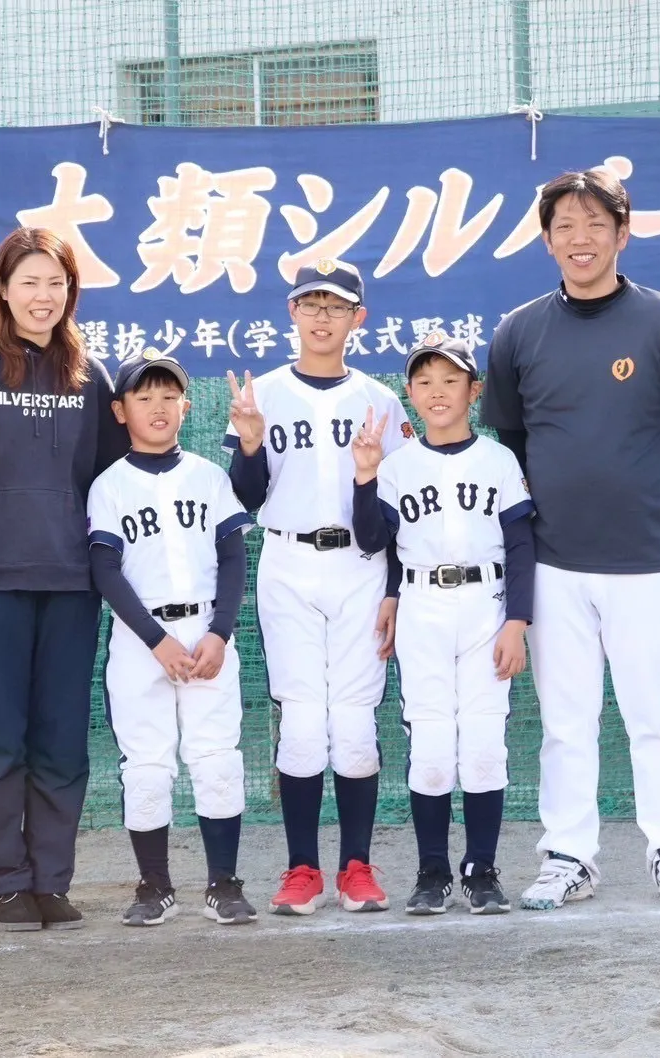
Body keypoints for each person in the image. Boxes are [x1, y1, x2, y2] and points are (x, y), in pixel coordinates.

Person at [478, 169, 660, 910]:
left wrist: (643, 495)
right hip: (554, 563)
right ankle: (568, 856)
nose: (579, 239)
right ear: (547, 240)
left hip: (646, 560)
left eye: (595, 225)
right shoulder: (519, 331)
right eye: (565, 227)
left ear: (623, 233)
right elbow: (513, 441)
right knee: (565, 723)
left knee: (655, 717)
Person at [0, 227, 129, 931]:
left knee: (61, 741)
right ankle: (5, 883)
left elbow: (115, 482)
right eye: (30, 282)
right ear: (3, 290)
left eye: (56, 283)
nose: (44, 297)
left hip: (71, 586)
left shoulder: (89, 377)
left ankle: (50, 881)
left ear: (71, 292)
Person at [224, 257, 408, 915]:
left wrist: (395, 589)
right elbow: (246, 497)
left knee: (354, 724)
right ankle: (302, 869)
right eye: (311, 304)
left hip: (360, 567)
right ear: (292, 312)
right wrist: (249, 444)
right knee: (302, 722)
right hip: (289, 561)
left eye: (336, 306)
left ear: (359, 318)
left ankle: (356, 866)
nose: (323, 317)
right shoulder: (265, 393)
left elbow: (394, 514)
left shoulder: (380, 400)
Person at [351, 333, 534, 916]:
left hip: (487, 604)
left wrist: (518, 621)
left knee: (482, 743)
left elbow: (521, 544)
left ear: (473, 392)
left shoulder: (498, 461)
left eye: (451, 381)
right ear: (410, 393)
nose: (437, 391)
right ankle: (432, 870)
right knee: (430, 744)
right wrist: (364, 477)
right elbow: (373, 541)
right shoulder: (397, 466)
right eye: (425, 381)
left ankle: (481, 869)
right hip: (423, 605)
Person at [87, 351, 257, 927]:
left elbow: (232, 557)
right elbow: (105, 570)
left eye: (169, 396)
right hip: (142, 638)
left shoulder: (208, 476)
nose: (157, 407)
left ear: (186, 406)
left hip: (207, 632)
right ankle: (154, 884)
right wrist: (157, 640)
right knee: (146, 763)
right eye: (144, 397)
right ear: (120, 410)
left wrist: (221, 632)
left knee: (217, 757)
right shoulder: (109, 485)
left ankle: (223, 883)